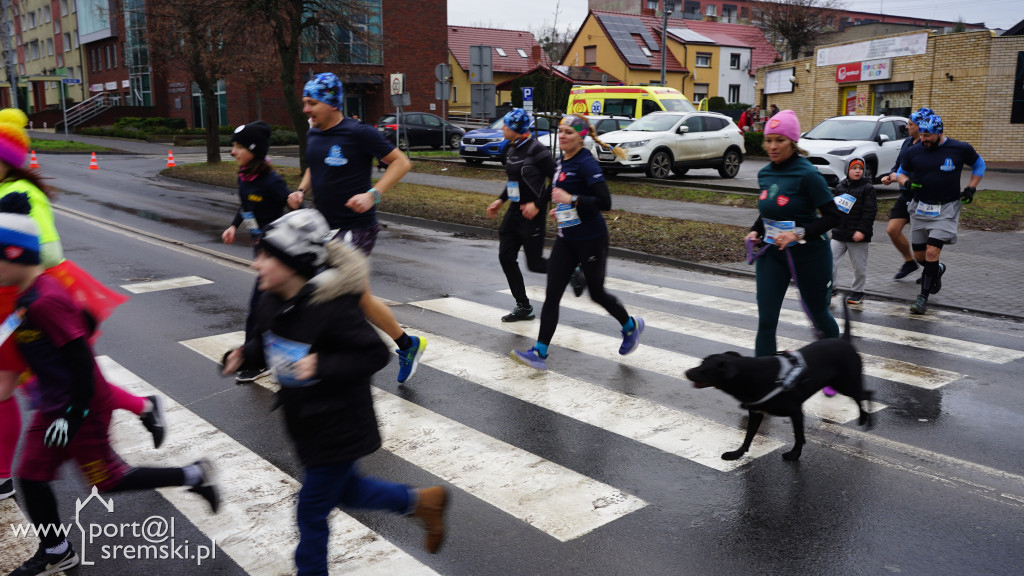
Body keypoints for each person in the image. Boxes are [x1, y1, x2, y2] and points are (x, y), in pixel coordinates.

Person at [220, 210, 448, 574]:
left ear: (294, 264)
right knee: (347, 491)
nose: (255, 265)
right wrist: (244, 354)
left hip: (339, 423)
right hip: (305, 422)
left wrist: (321, 365)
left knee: (310, 509)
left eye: (266, 257)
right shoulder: (270, 299)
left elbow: (373, 353)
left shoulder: (331, 306)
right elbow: (268, 340)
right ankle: (421, 502)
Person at [1, 200, 220, 576]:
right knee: (31, 476)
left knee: (108, 480)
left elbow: (83, 365)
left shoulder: (46, 301)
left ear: (15, 255)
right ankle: (57, 550)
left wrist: (72, 416)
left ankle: (194, 475)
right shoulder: (25, 299)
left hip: (80, 409)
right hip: (54, 408)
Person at [0, 109, 163, 505]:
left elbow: (47, 248)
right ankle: (142, 406)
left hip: (26, 297)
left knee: (14, 385)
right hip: (13, 297)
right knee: (38, 380)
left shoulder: (22, 194)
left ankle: (6, 475)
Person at [286, 72, 425, 384]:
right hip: (324, 226)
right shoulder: (314, 133)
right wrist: (301, 190)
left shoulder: (358, 132)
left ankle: (321, 361)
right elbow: (314, 164)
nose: (306, 109)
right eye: (305, 103)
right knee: (358, 297)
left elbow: (401, 162)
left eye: (312, 103)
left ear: (332, 103)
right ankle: (407, 344)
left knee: (335, 292)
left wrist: (372, 195)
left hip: (356, 227)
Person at [511, 114, 643, 371]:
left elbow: (604, 203)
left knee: (596, 293)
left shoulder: (587, 164)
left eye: (568, 132)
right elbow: (558, 191)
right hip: (566, 239)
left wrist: (571, 200)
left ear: (581, 137)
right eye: (560, 131)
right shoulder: (562, 160)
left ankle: (630, 325)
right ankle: (540, 352)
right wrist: (556, 208)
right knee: (552, 296)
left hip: (591, 239)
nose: (562, 135)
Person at [745, 110, 842, 357]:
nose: (773, 147)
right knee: (766, 321)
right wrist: (755, 231)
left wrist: (797, 234)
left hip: (809, 255)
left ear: (793, 142)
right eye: (768, 140)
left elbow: (832, 216)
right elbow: (769, 210)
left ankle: (837, 362)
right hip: (773, 254)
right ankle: (764, 381)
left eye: (780, 140)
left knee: (818, 315)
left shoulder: (807, 174)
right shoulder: (765, 173)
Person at [895, 110, 985, 315]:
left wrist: (972, 187)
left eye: (927, 136)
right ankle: (937, 270)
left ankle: (921, 299)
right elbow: (901, 172)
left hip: (946, 208)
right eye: (922, 135)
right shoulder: (914, 151)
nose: (923, 139)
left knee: (932, 252)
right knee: (920, 256)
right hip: (919, 208)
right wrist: (906, 182)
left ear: (939, 133)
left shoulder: (959, 148)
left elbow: (979, 164)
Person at [222, 120, 289, 383]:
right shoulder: (244, 176)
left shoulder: (272, 181)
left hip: (276, 254)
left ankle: (258, 360)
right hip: (260, 251)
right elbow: (246, 206)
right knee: (274, 308)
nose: (233, 151)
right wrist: (233, 225)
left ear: (253, 149)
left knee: (258, 307)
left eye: (238, 146)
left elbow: (295, 209)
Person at [485, 108, 556, 322]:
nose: (503, 128)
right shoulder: (512, 148)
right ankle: (523, 306)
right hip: (515, 211)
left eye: (506, 125)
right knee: (506, 256)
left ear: (515, 128)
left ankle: (571, 269)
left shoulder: (538, 150)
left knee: (534, 263)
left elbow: (557, 180)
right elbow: (514, 180)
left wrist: (537, 205)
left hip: (532, 213)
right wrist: (501, 199)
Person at [881, 108, 926, 280]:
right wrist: (890, 176)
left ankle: (931, 270)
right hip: (906, 196)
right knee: (892, 230)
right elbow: (899, 164)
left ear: (920, 127)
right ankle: (909, 262)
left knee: (923, 241)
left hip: (920, 197)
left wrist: (900, 178)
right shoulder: (908, 142)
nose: (907, 127)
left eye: (910, 124)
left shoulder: (926, 145)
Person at [830, 157, 877, 305]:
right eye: (854, 168)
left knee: (859, 267)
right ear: (847, 170)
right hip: (839, 233)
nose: (857, 171)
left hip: (858, 235)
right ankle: (830, 288)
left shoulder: (868, 188)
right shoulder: (840, 187)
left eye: (860, 168)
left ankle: (858, 291)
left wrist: (861, 230)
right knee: (829, 261)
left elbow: (870, 212)